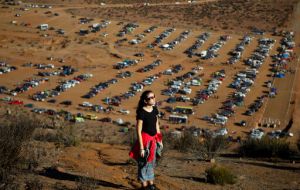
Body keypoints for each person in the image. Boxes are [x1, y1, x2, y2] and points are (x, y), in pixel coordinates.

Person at [129, 90, 163, 190]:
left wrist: (160, 140)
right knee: (143, 163)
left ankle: (151, 184)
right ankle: (144, 186)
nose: (153, 99)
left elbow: (157, 125)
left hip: (154, 140)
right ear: (145, 101)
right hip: (145, 140)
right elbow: (138, 130)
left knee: (152, 162)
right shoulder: (141, 112)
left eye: (154, 96)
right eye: (150, 98)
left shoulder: (155, 109)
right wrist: (141, 148)